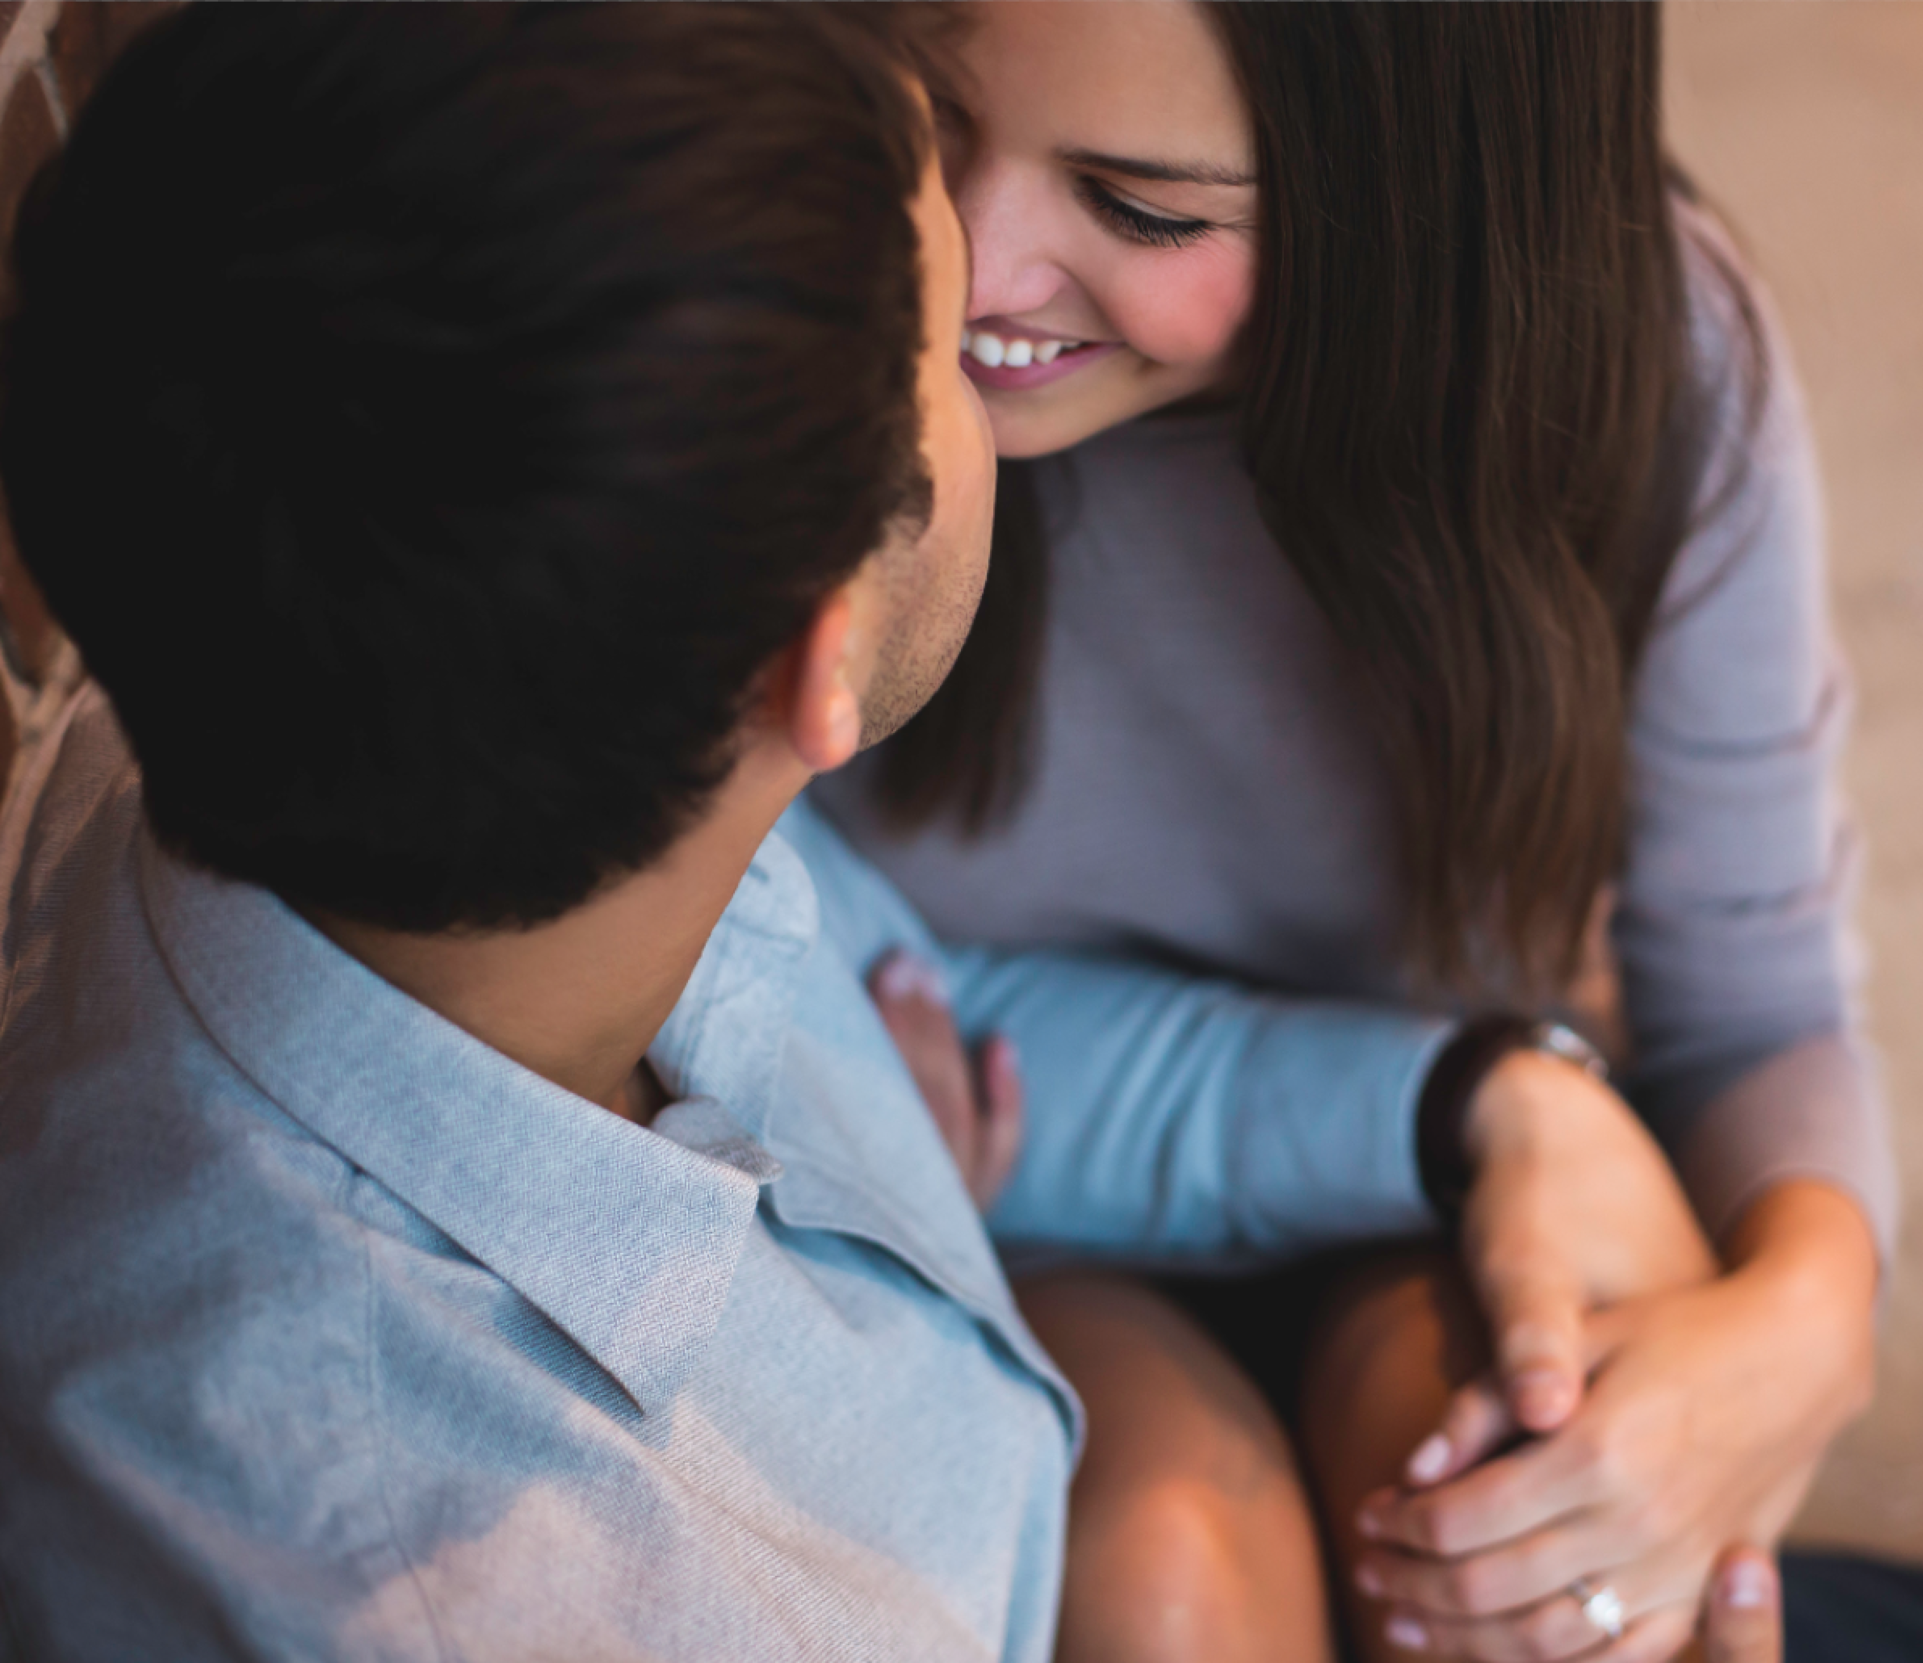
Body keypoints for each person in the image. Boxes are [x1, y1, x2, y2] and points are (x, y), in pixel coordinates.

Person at [0, 7, 1791, 1659]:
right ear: (821, 653)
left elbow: (903, 986)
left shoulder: (445, 761)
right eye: (924, 342)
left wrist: (1482, 1098)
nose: (979, 317)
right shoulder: (534, 1597)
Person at [810, 4, 1884, 1659]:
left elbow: (1758, 993)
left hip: (1443, 1170)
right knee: (1160, 1575)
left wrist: (1811, 1315)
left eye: (1147, 208)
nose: (967, 263)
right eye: (929, 117)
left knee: (1535, 1561)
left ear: (1415, 201)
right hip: (1017, 1189)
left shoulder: (1658, 371)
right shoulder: (786, 314)